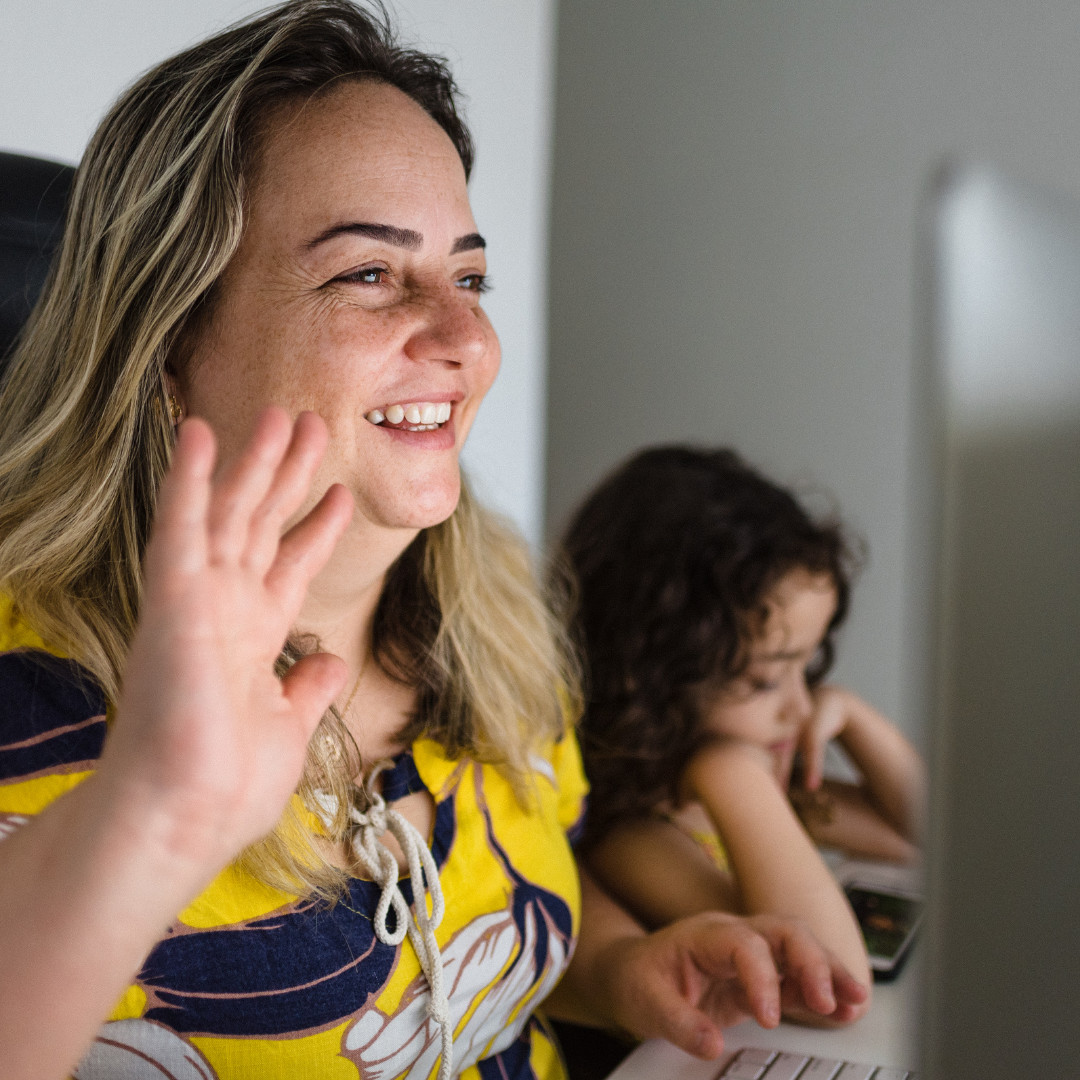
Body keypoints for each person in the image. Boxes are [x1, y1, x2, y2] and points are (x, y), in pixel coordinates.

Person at [0, 6, 868, 1079]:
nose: (467, 341)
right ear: (168, 338)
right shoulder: (22, 702)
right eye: (369, 274)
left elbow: (522, 885)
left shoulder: (494, 609)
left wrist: (617, 969)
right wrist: (150, 817)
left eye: (469, 277)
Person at [562, 446, 926, 998]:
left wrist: (853, 715)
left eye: (807, 665)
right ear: (654, 678)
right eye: (765, 680)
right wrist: (731, 774)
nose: (801, 707)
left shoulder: (765, 789)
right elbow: (826, 982)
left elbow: (922, 839)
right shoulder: (631, 837)